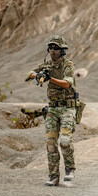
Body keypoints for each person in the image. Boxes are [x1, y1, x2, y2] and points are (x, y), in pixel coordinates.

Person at [25, 35, 78, 186]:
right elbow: (27, 75)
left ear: (62, 50)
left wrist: (50, 79)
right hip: (53, 109)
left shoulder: (68, 64)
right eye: (51, 48)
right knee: (50, 143)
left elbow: (67, 83)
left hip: (68, 108)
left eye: (56, 48)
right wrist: (39, 75)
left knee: (65, 141)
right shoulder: (47, 65)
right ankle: (54, 176)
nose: (53, 51)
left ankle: (70, 169)